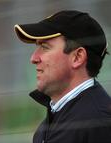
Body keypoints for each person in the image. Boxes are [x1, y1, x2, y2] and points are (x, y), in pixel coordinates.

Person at [14, 10, 111, 143]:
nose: (34, 58)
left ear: (77, 57)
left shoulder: (99, 123)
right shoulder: (46, 128)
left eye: (45, 47)